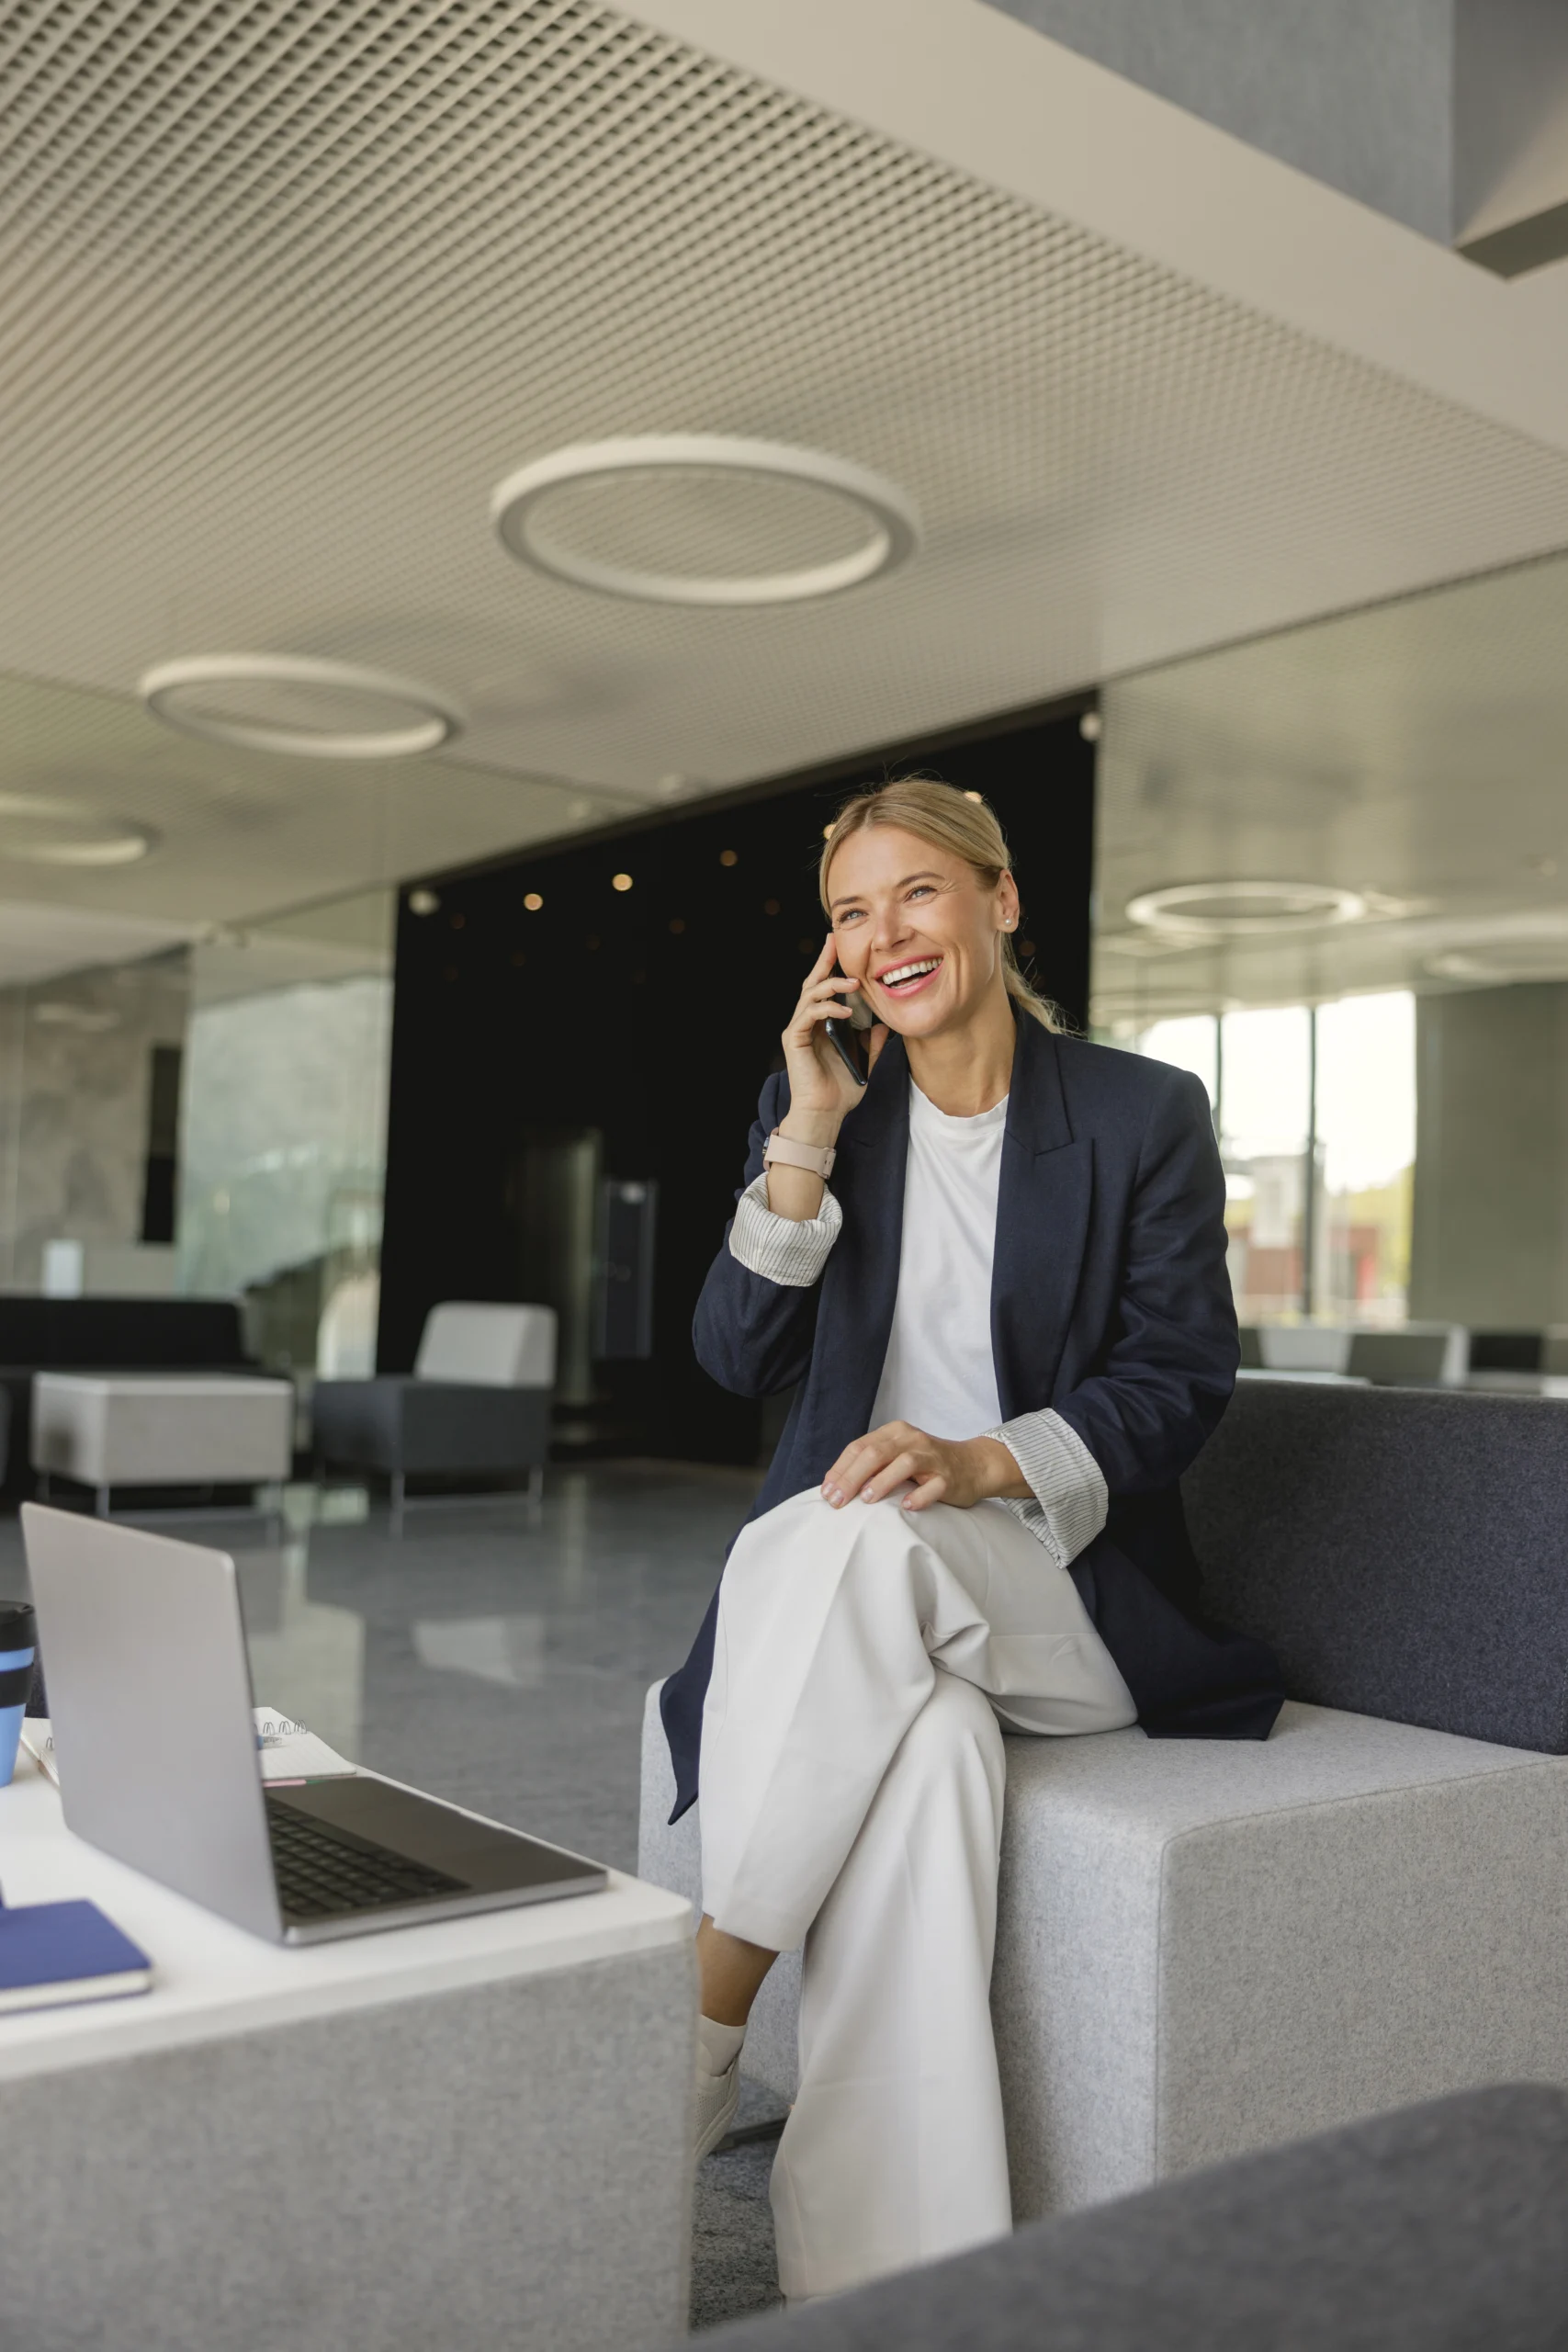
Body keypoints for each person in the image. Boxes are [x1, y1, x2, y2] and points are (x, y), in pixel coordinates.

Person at [660, 776, 1282, 2302]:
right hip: (867, 1596)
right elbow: (735, 1360)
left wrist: (977, 1459)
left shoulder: (1139, 1114)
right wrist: (805, 1126)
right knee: (924, 1755)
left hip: (1065, 1589)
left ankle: (694, 2012)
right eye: (849, 915)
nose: (883, 937)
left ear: (999, 902)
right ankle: (894, 2280)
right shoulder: (828, 1106)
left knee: (866, 1538)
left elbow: (1175, 1383)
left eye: (915, 894)